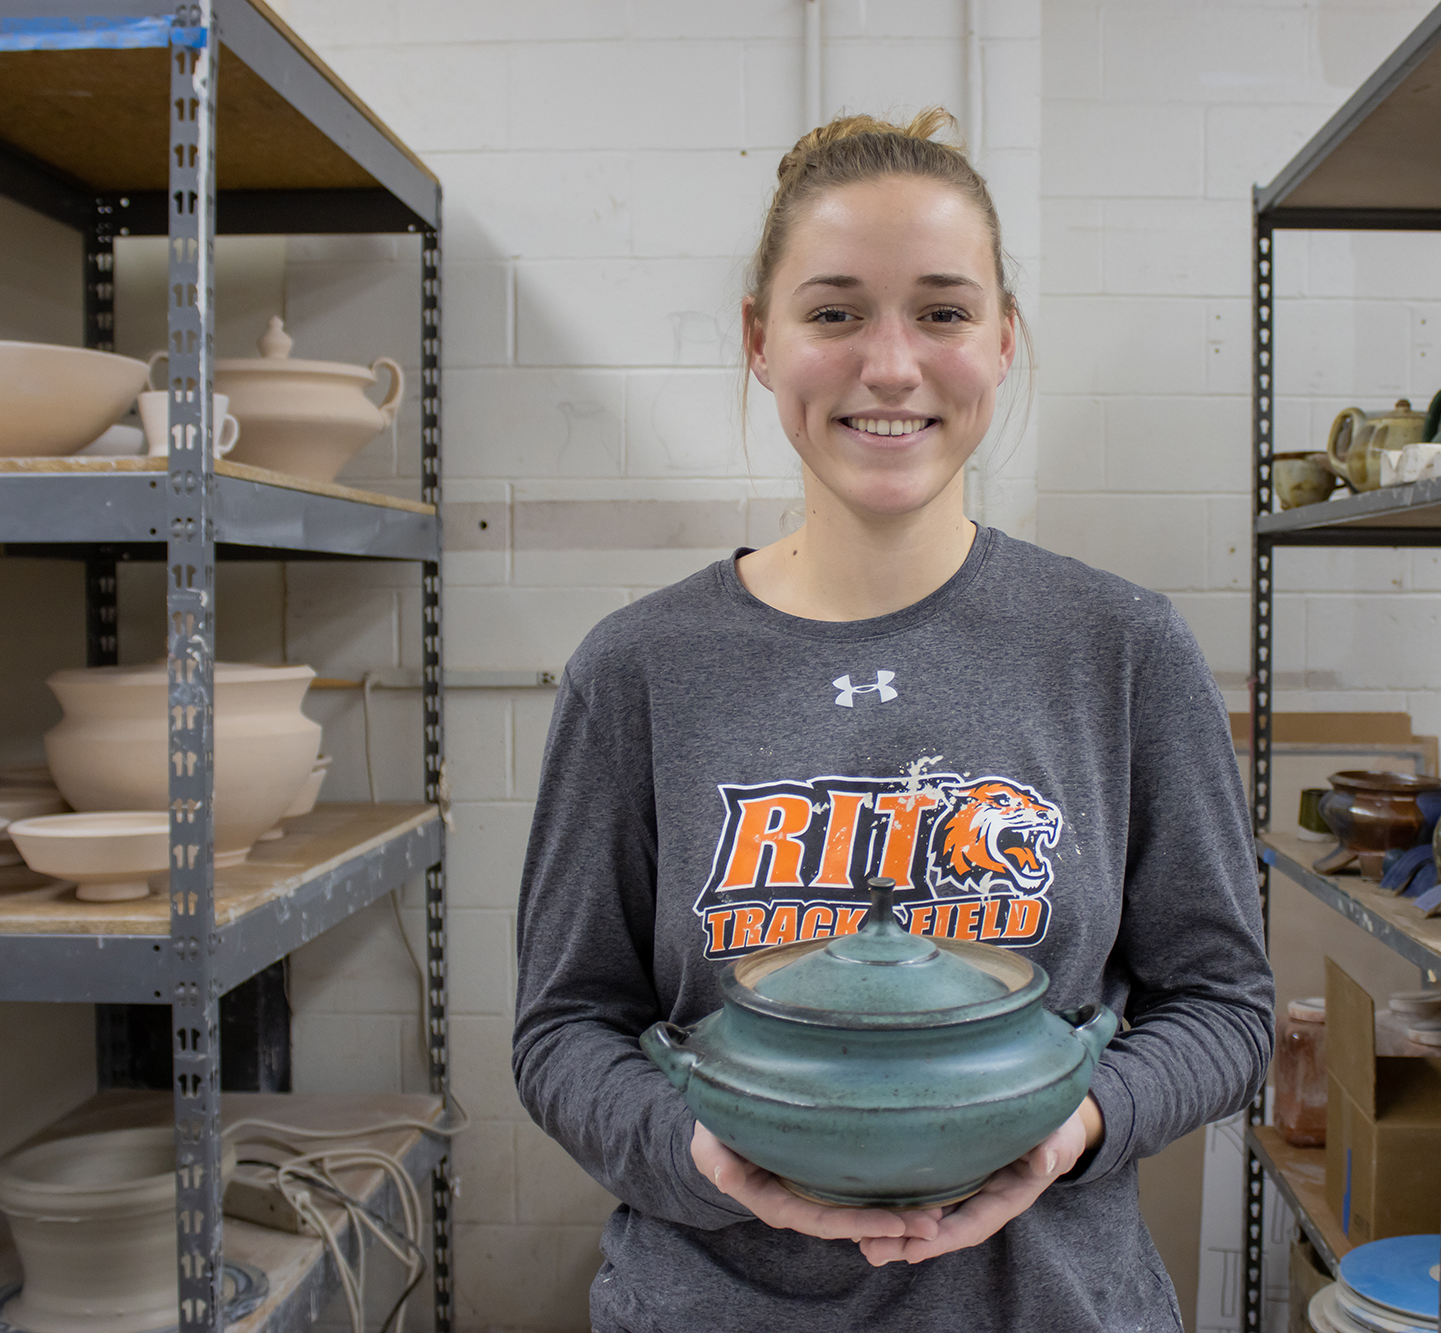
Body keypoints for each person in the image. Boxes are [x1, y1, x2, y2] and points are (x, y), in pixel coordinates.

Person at [513, 108, 1272, 1333]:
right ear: (760, 342)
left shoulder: (1119, 647)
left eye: (940, 310)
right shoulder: (637, 668)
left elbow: (1225, 1008)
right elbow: (564, 1031)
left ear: (1004, 339)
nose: (889, 364)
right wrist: (707, 1159)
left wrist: (1073, 1123)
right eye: (833, 313)